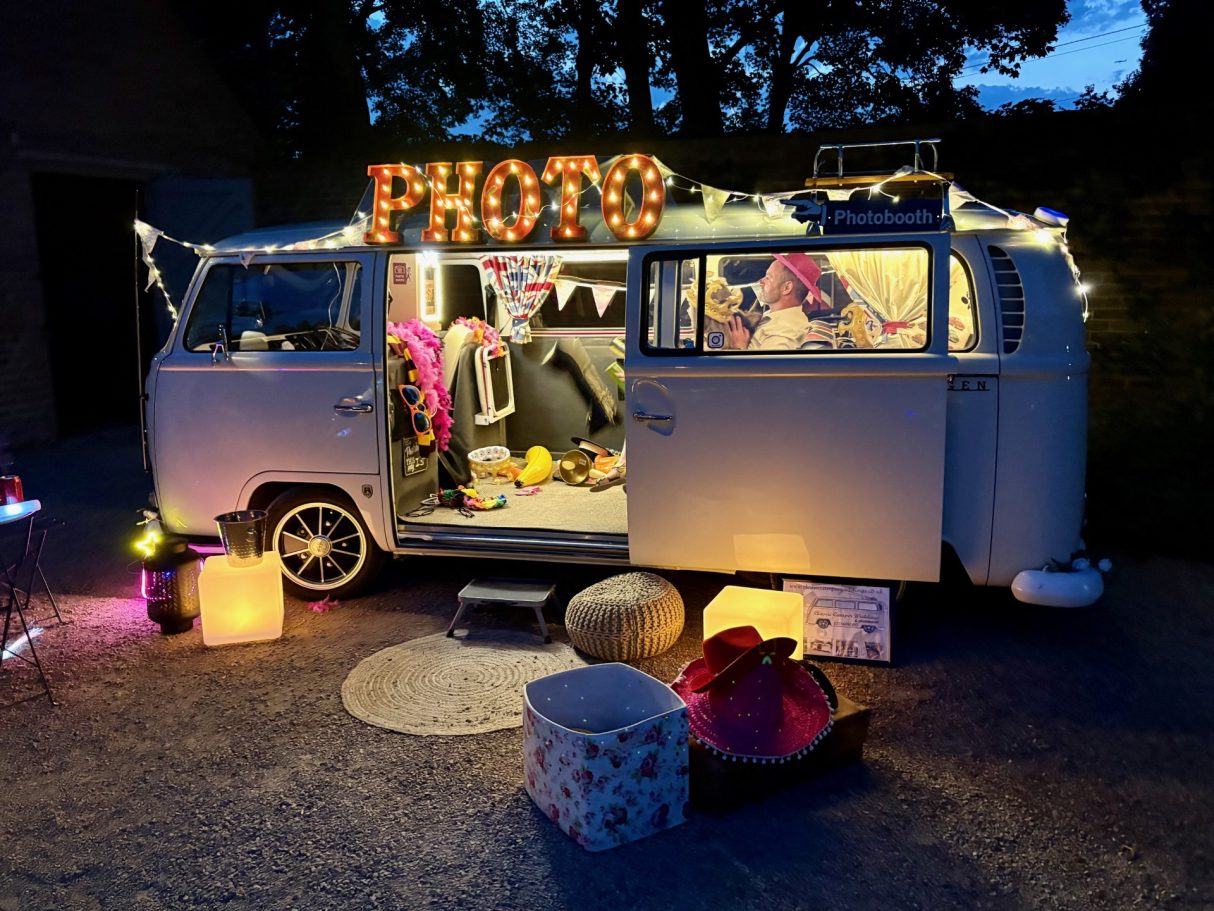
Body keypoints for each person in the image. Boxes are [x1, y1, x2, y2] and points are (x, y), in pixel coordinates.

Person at [726, 252, 826, 350]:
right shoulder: (777, 317)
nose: (761, 281)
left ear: (786, 288)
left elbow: (765, 367)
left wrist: (739, 347)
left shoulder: (783, 333)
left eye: (768, 277)